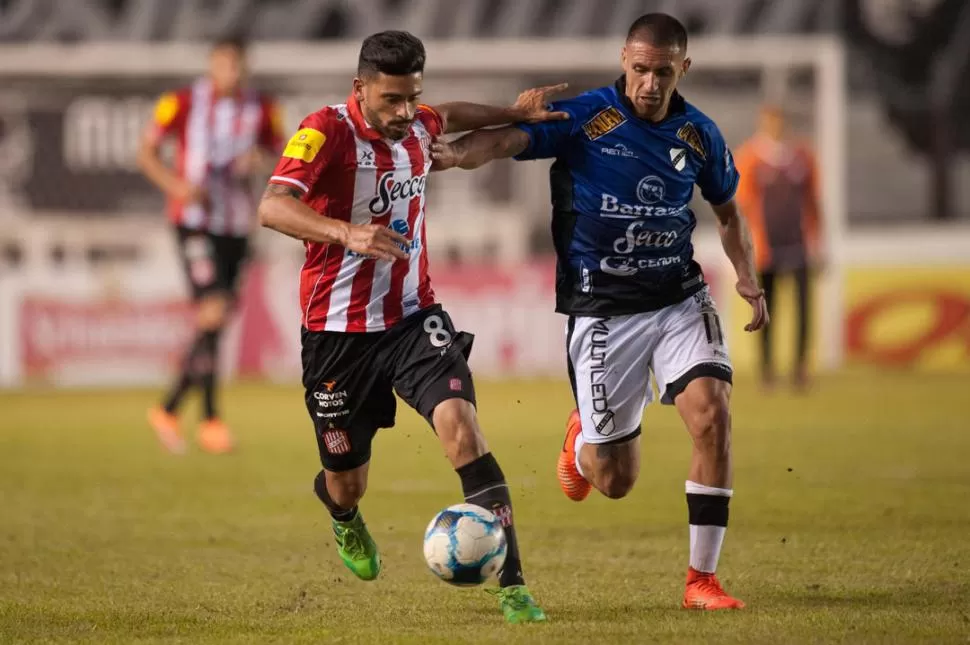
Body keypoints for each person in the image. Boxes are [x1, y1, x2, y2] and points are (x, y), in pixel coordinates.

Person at [430, 13, 768, 610]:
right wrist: (458, 156)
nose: (649, 83)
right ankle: (582, 433)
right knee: (614, 481)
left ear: (682, 69)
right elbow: (512, 139)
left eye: (662, 72)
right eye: (639, 69)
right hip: (605, 313)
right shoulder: (588, 117)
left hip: (679, 297)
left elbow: (729, 212)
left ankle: (702, 581)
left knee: (713, 415)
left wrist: (747, 278)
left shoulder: (700, 135)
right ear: (623, 61)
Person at [257, 30, 568, 624]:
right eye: (391, 100)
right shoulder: (323, 131)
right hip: (336, 337)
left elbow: (445, 114)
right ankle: (343, 517)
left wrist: (510, 112)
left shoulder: (419, 124)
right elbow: (272, 205)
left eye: (411, 98)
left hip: (412, 319)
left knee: (463, 432)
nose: (405, 114)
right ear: (360, 88)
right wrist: (347, 233)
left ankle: (513, 586)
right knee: (347, 483)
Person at [138, 37, 285, 455]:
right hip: (194, 223)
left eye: (237, 66)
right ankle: (209, 419)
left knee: (215, 323)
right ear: (211, 66)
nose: (231, 73)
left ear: (245, 67)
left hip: (236, 225)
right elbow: (146, 153)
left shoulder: (262, 109)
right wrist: (177, 186)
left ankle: (173, 410)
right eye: (223, 65)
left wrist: (259, 159)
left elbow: (284, 155)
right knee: (214, 310)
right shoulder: (181, 103)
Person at [735, 105, 822, 391]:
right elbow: (740, 207)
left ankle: (800, 369)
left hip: (799, 244)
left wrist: (818, 241)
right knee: (765, 309)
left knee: (803, 308)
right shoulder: (749, 157)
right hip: (765, 249)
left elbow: (814, 201)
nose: (776, 126)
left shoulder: (802, 156)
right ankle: (767, 371)